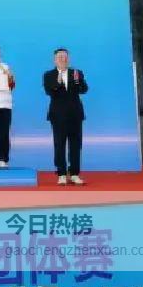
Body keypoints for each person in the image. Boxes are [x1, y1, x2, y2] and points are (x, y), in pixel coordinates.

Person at [44, 48, 88, 185]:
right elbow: (49, 91)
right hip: (58, 115)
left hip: (75, 114)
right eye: (60, 57)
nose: (63, 59)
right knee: (59, 144)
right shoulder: (49, 75)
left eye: (65, 57)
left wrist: (78, 81)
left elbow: (84, 89)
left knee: (75, 145)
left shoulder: (76, 73)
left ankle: (74, 174)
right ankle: (61, 174)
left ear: (68, 59)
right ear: (55, 60)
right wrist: (57, 82)